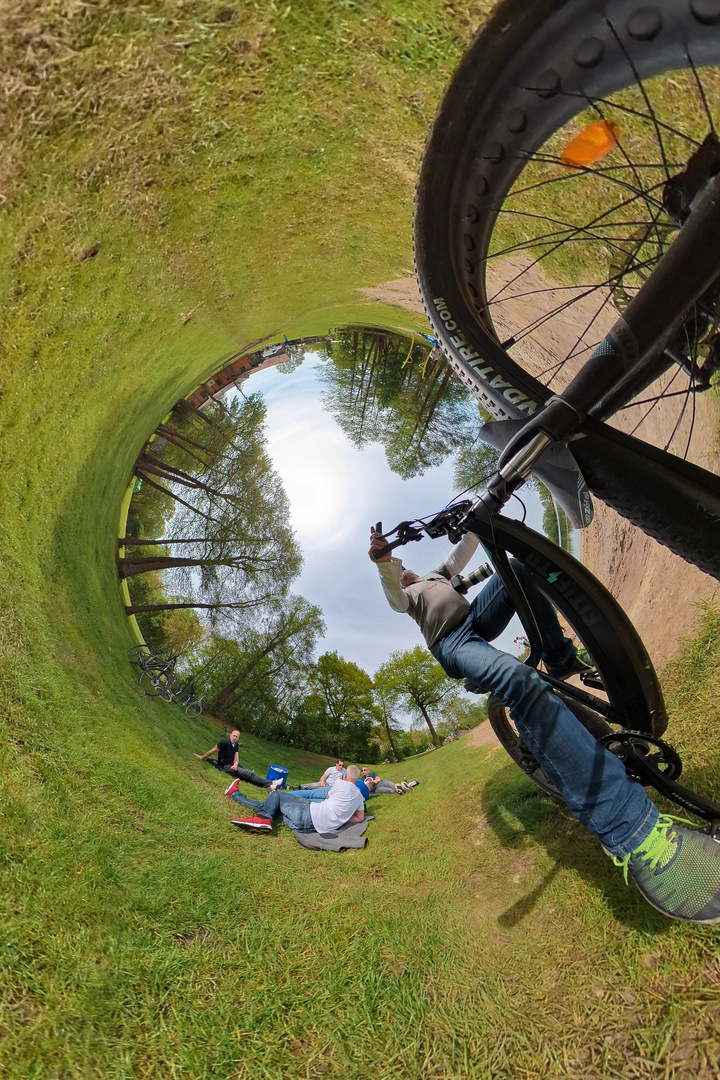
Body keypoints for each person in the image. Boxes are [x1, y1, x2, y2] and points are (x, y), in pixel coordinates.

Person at [369, 523, 720, 925]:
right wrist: (384, 564)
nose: (405, 572)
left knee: (519, 567)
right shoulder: (410, 598)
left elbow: (463, 550)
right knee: (519, 681)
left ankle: (559, 656)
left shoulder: (436, 575)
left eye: (405, 568)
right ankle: (629, 831)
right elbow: (394, 598)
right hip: (453, 643)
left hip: (477, 619)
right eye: (400, 571)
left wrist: (476, 516)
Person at [227, 765, 366, 834]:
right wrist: (342, 817)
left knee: (276, 795)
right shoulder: (359, 797)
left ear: (345, 775)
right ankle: (234, 794)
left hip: (309, 813)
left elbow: (328, 796)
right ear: (357, 779)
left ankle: (262, 818)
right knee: (272, 808)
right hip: (309, 829)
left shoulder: (340, 783)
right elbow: (360, 818)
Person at [193, 729, 279, 790]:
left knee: (247, 775)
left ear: (238, 738)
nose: (234, 738)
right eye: (233, 735)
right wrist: (202, 757)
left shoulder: (236, 745)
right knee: (249, 774)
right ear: (230, 735)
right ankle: (271, 783)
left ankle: (267, 786)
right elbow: (213, 750)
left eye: (236, 737)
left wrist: (236, 764)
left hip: (232, 764)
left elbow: (236, 756)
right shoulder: (224, 742)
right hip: (225, 766)